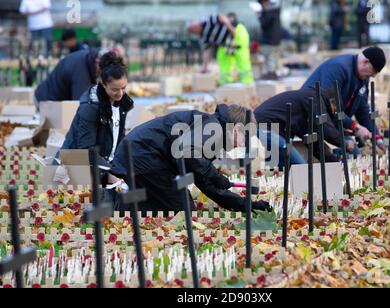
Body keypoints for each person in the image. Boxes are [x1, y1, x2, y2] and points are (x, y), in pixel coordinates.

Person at [110, 104, 271, 214]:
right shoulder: (214, 129)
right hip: (142, 155)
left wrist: (243, 204)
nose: (243, 145)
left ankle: (120, 200)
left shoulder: (214, 131)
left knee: (174, 203)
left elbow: (204, 181)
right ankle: (113, 201)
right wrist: (214, 175)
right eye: (246, 138)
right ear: (236, 129)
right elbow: (187, 151)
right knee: (182, 209)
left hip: (142, 156)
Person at [301, 46, 387, 156]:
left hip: (333, 123)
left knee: (354, 153)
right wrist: (354, 126)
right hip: (315, 120)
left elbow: (363, 109)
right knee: (349, 156)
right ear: (365, 62)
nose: (372, 76)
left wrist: (376, 137)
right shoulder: (337, 68)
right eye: (372, 72)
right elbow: (330, 106)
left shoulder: (363, 77)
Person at [61, 51, 134, 170]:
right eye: (115, 89)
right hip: (76, 169)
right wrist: (109, 173)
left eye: (123, 88)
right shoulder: (90, 107)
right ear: (103, 84)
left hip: (103, 167)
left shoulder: (121, 104)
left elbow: (119, 140)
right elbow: (86, 150)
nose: (120, 93)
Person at [255, 87, 356, 167]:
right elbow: (327, 130)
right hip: (267, 128)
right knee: (300, 168)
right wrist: (345, 144)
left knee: (283, 171)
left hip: (268, 129)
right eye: (333, 112)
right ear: (333, 102)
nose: (331, 116)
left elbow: (313, 142)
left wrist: (336, 163)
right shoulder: (315, 98)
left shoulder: (308, 105)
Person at [187, 14, 254, 85]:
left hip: (236, 32)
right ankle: (226, 83)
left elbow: (220, 17)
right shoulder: (202, 37)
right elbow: (206, 51)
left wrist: (230, 28)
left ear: (197, 24)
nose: (194, 31)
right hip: (224, 43)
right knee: (222, 58)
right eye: (192, 31)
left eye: (193, 28)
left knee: (241, 57)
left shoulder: (206, 21)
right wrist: (205, 67)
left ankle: (247, 82)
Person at [34, 48, 102, 105]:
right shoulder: (81, 72)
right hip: (46, 101)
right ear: (97, 62)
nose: (99, 75)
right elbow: (80, 105)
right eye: (100, 71)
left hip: (46, 96)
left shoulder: (87, 57)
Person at [257, 0, 283, 80]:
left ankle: (271, 74)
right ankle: (273, 73)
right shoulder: (276, 10)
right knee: (274, 57)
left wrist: (259, 15)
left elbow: (264, 23)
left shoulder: (269, 11)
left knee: (270, 57)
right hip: (276, 39)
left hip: (269, 40)